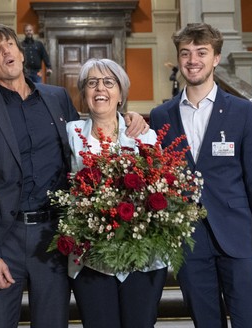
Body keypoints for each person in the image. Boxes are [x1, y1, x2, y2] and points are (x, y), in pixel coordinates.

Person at [0, 23, 148, 328]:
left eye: (10, 44)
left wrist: (128, 118)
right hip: (3, 238)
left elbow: (89, 142)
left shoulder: (57, 97)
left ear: (21, 53)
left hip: (54, 237)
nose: (7, 51)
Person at [149, 23, 252, 327]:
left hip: (239, 239)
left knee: (251, 320)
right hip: (189, 242)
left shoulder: (243, 111)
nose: (193, 60)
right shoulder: (160, 116)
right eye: (186, 53)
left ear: (216, 58)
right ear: (178, 58)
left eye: (201, 52)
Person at [65, 58, 162, 328]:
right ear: (84, 94)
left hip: (142, 260)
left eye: (109, 82)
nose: (100, 89)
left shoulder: (145, 136)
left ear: (121, 94)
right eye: (92, 83)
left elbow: (163, 190)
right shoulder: (70, 134)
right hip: (90, 259)